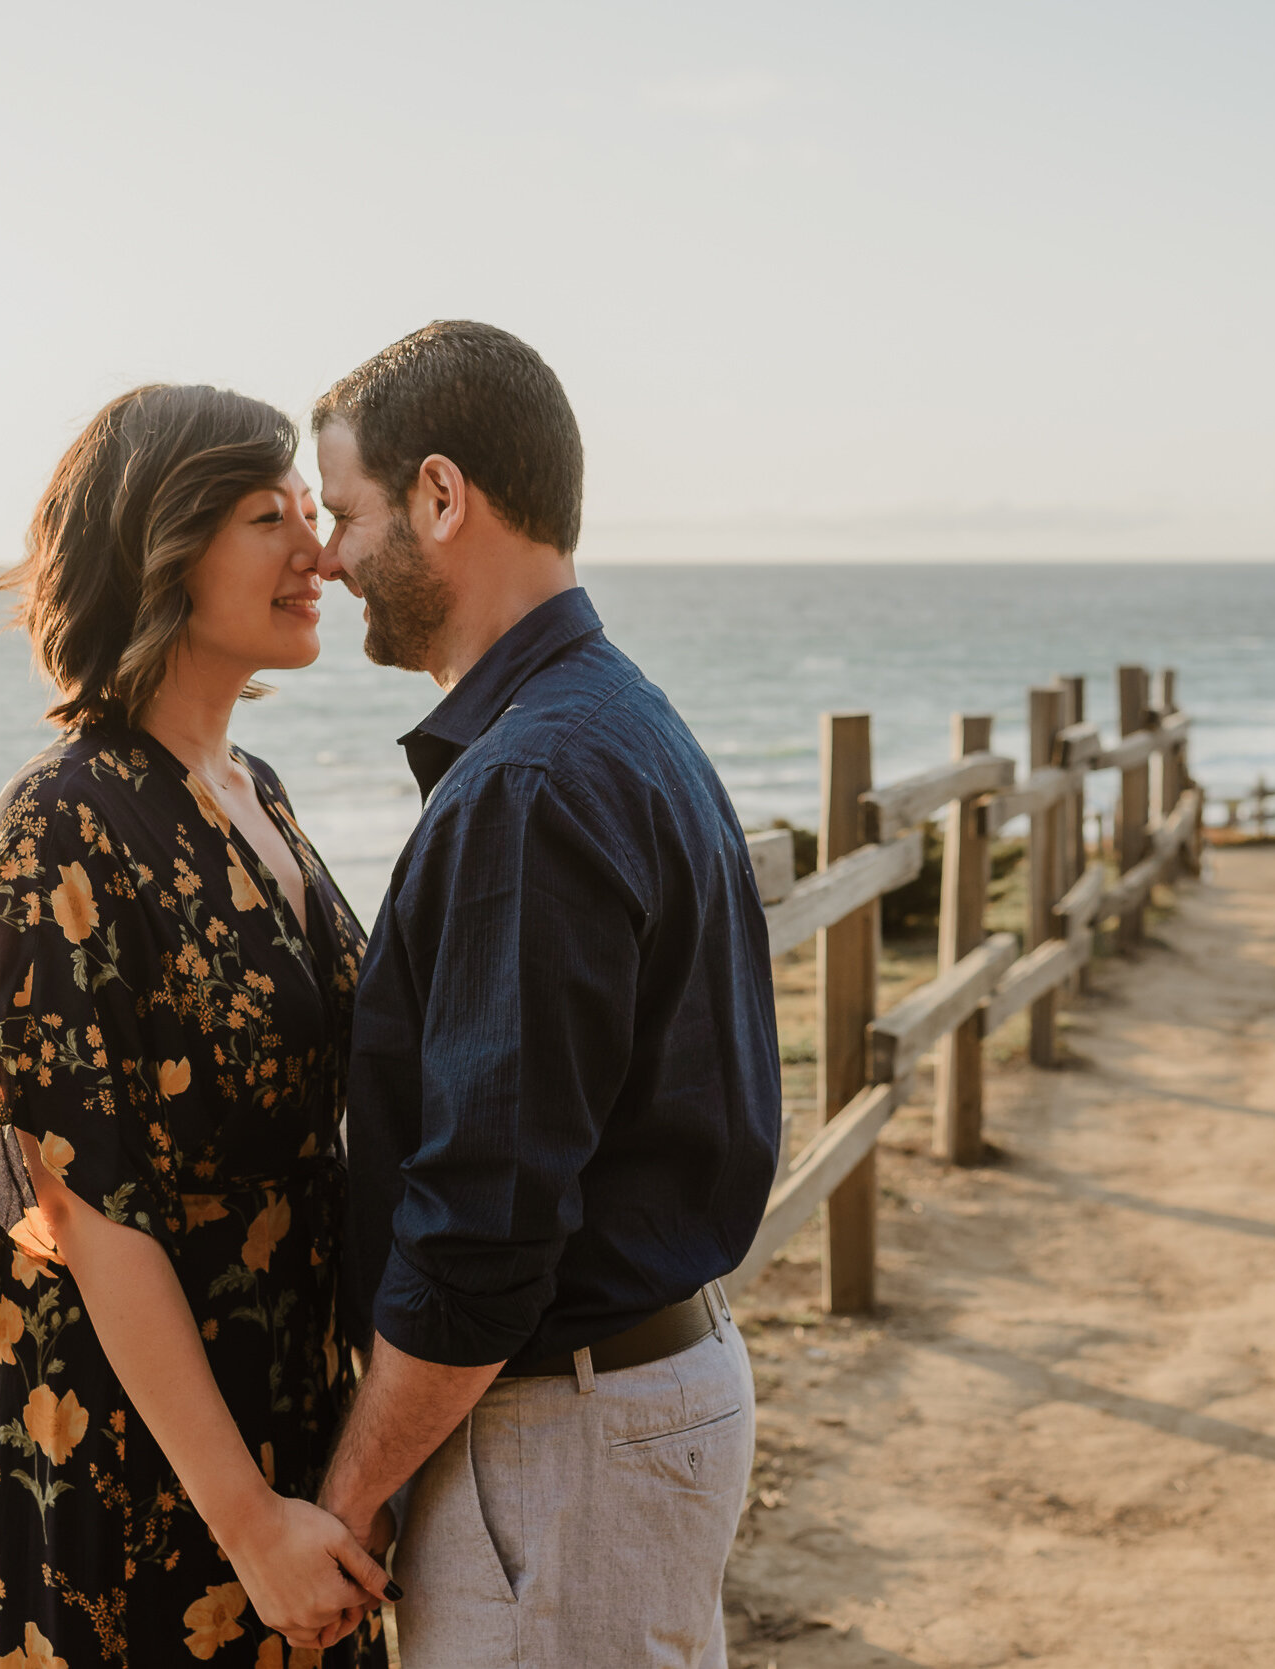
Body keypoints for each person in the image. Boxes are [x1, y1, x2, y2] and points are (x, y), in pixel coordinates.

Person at [308, 321, 784, 1667]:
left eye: (347, 510)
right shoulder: (617, 716)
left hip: (563, 1433)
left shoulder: (528, 781)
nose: (331, 556)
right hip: (632, 1402)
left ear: (441, 496)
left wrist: (352, 1498)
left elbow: (488, 1226)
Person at [0, 384, 391, 1667]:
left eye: (312, 512)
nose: (319, 553)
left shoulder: (257, 791)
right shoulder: (65, 819)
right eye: (271, 518)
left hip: (288, 1422)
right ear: (162, 546)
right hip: (139, 1474)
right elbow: (82, 1201)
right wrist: (247, 1521)